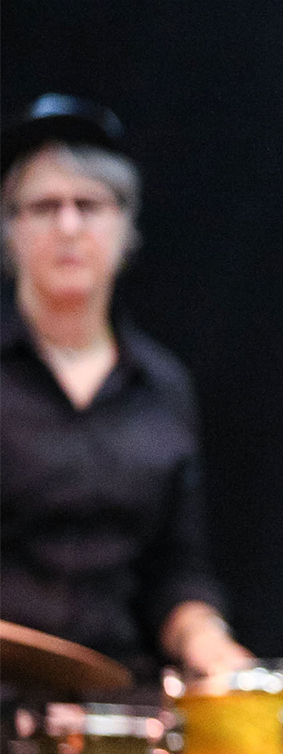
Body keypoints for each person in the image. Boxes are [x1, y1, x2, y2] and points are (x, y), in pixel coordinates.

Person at [0, 94, 250, 683]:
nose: (68, 226)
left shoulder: (165, 388)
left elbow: (177, 571)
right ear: (11, 230)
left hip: (113, 704)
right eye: (43, 206)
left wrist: (206, 638)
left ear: (124, 225)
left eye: (89, 205)